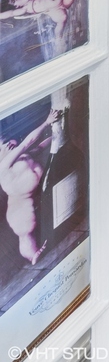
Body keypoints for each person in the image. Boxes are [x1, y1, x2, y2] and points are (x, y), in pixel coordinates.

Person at [0, 109, 59, 264]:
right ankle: (33, 257)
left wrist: (56, 135)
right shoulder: (3, 167)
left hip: (32, 206)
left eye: (7, 141)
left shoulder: (23, 156)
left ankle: (34, 256)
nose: (7, 146)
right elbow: (28, 142)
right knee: (26, 236)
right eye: (1, 147)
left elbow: (39, 147)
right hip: (19, 214)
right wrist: (47, 122)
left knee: (31, 237)